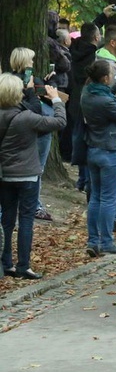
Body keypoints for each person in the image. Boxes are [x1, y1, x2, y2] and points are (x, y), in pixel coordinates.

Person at [0, 71, 65, 280]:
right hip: (27, 174)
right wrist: (55, 99)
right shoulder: (26, 117)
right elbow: (59, 122)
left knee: (7, 219)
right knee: (26, 218)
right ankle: (23, 265)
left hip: (4, 175)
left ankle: (6, 262)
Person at [81, 60, 116, 257]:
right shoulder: (106, 101)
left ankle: (93, 240)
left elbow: (105, 95)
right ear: (104, 78)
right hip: (110, 151)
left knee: (95, 197)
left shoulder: (87, 92)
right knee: (108, 199)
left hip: (93, 149)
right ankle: (106, 241)